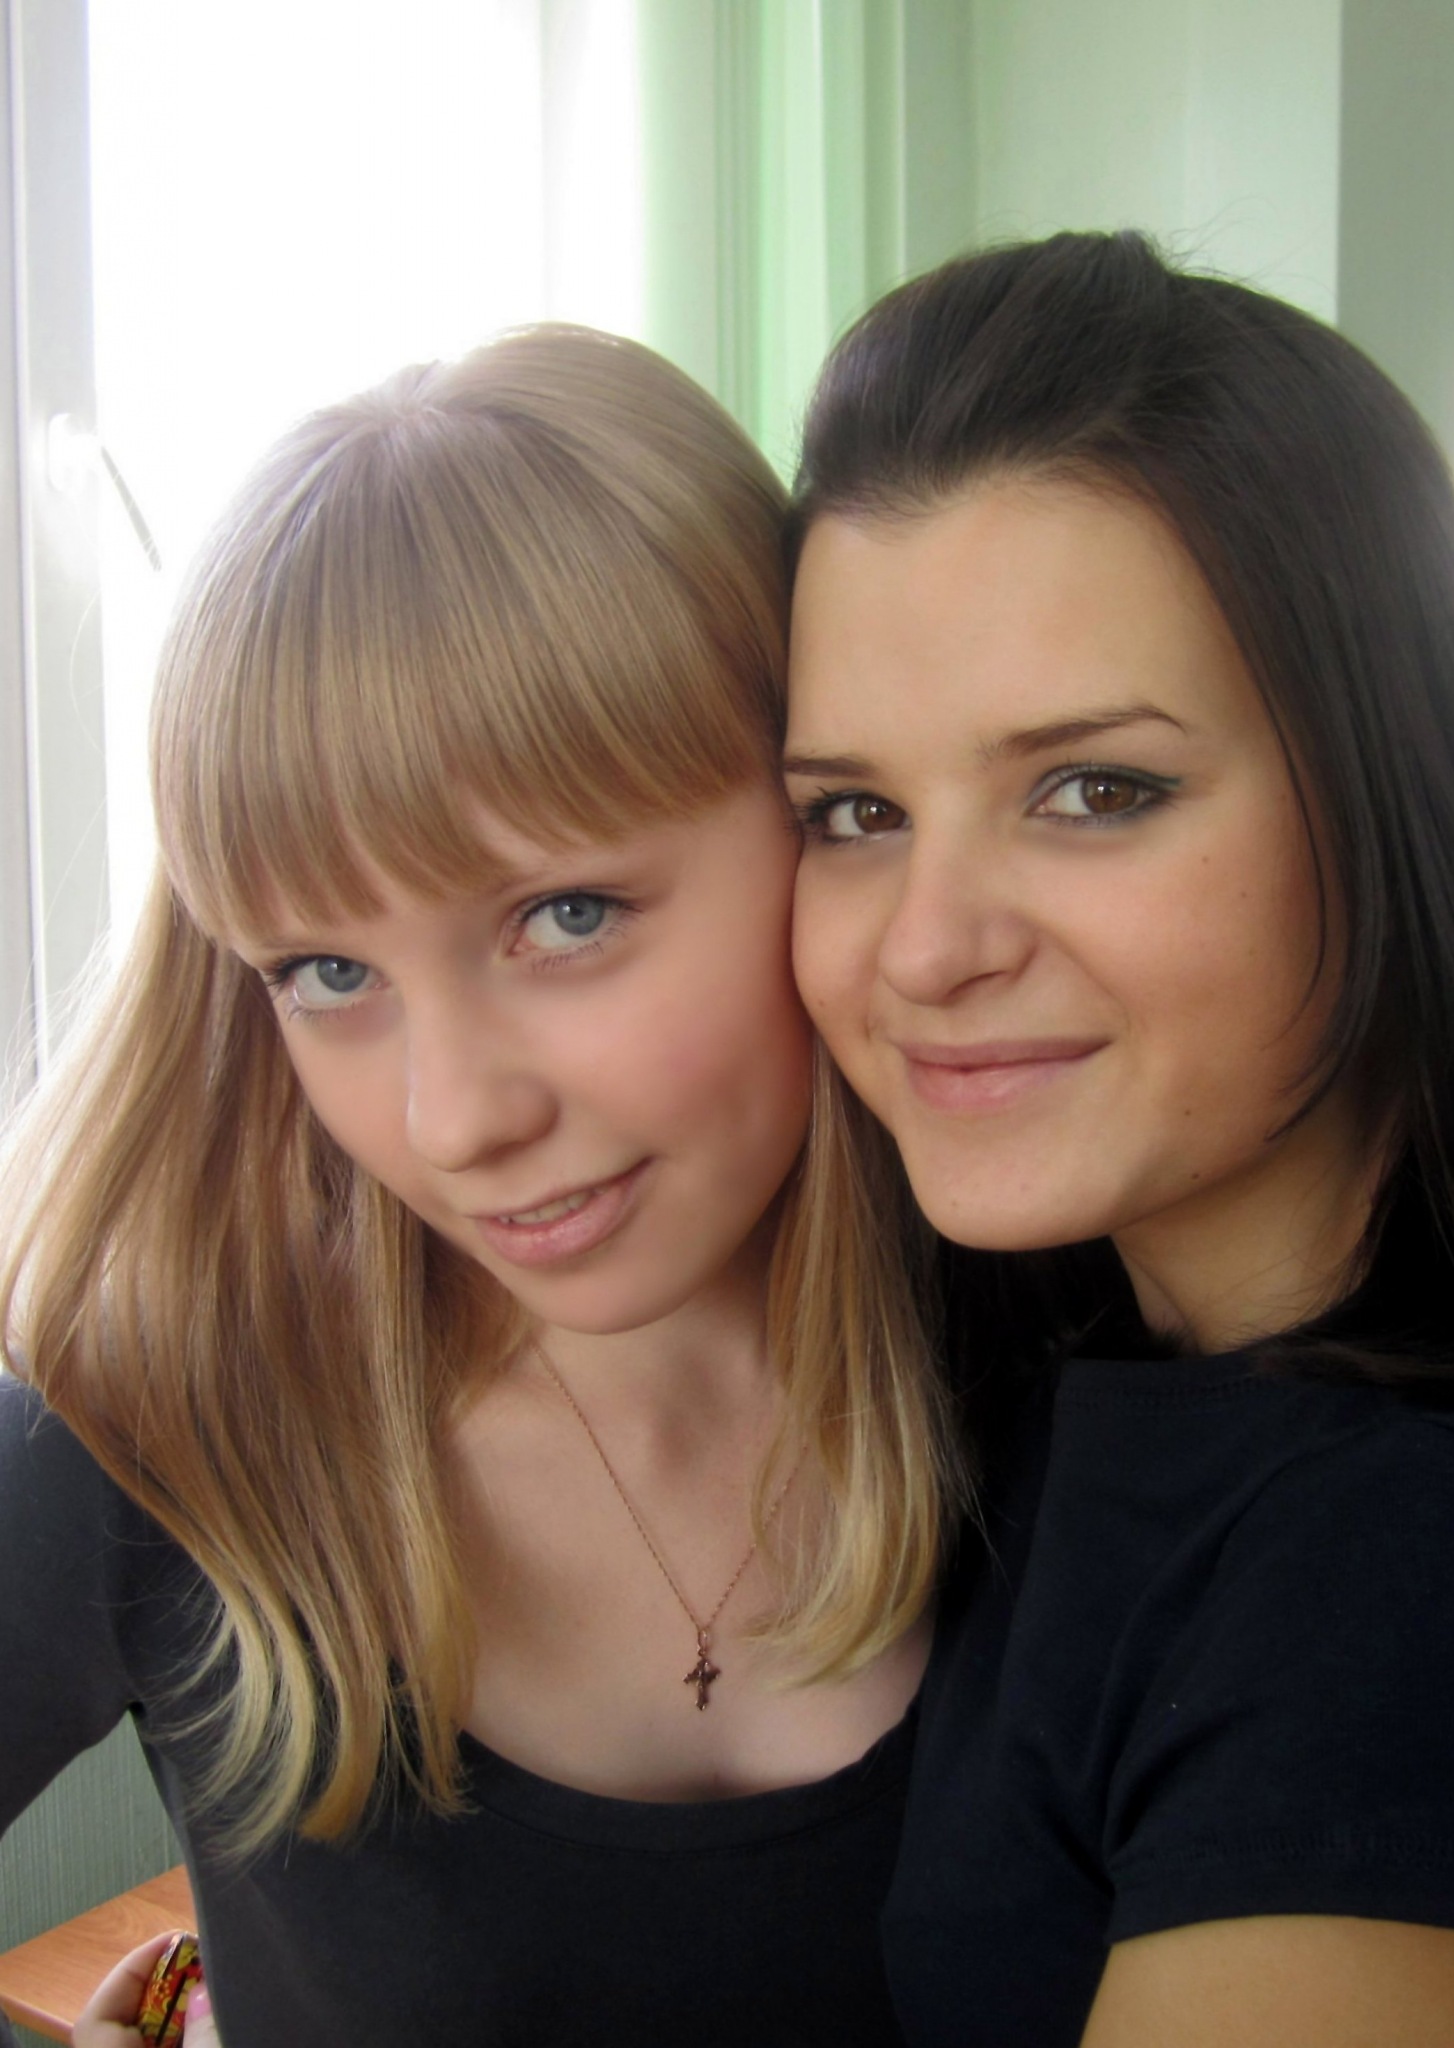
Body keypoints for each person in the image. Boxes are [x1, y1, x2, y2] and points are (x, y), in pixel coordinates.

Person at [0, 322, 960, 2048]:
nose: (451, 1121)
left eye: (566, 916)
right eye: (326, 973)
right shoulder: (161, 1432)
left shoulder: (1086, 1356)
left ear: (823, 819)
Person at [781, 230, 1454, 2048]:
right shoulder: (1115, 1328)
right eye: (855, 813)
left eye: (1096, 790)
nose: (927, 949)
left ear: (1401, 790)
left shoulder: (1432, 1586)